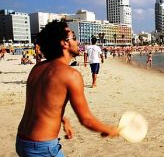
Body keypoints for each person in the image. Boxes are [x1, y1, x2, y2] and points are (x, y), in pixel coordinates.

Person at [16, 20, 118, 157]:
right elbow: (86, 119)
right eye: (74, 38)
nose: (77, 42)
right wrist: (110, 129)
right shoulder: (71, 75)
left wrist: (63, 119)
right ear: (64, 43)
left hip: (22, 142)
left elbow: (43, 104)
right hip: (42, 147)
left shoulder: (37, 68)